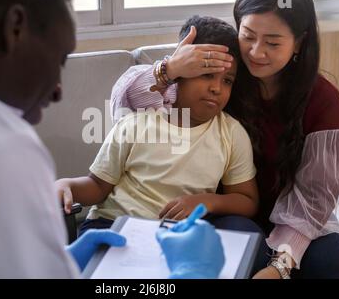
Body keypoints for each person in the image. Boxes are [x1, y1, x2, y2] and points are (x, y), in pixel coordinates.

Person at [0, 0, 224, 278]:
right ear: (14, 28)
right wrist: (192, 273)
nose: (58, 90)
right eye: (59, 59)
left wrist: (60, 261)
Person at [109, 0, 339, 279]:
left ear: (300, 43)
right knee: (240, 245)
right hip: (231, 213)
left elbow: (313, 201)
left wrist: (280, 266)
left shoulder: (323, 100)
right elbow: (126, 107)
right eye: (248, 36)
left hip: (298, 223)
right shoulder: (223, 78)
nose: (256, 52)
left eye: (273, 42)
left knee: (334, 262)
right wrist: (170, 68)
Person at [57, 16, 259, 237]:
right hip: (114, 225)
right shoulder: (138, 120)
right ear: (181, 71)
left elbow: (246, 200)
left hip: (177, 235)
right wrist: (67, 185)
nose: (216, 89)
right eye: (207, 75)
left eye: (227, 80)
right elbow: (96, 186)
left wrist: (206, 202)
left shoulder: (231, 133)